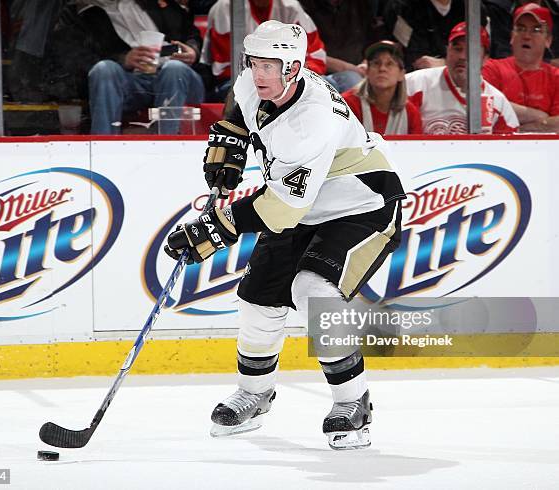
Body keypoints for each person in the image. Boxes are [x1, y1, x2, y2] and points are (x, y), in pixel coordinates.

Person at [164, 20, 405, 449]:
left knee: (313, 289)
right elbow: (239, 108)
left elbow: (282, 207)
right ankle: (255, 394)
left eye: (270, 66)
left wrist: (213, 229)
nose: (259, 74)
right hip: (305, 204)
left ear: (293, 68)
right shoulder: (256, 82)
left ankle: (354, 402)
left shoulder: (312, 120)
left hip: (361, 205)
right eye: (254, 63)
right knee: (258, 297)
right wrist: (230, 142)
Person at [82, 0, 206, 134]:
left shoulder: (161, 5)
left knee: (174, 68)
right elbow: (83, 60)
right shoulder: (89, 14)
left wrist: (193, 50)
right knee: (103, 69)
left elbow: (191, 35)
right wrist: (123, 59)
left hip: (180, 78)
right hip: (133, 81)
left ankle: (168, 144)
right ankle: (102, 145)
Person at [201, 0, 327, 101]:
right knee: (248, 88)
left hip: (292, 77)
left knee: (328, 83)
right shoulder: (224, 8)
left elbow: (316, 57)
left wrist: (289, 76)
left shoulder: (291, 7)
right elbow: (224, 68)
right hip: (233, 81)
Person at [406, 22, 519, 134]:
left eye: (471, 51)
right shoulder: (415, 85)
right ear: (447, 51)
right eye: (457, 49)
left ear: (485, 59)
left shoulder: (498, 103)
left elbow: (510, 148)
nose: (462, 57)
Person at [482, 2, 559, 132]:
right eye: (521, 28)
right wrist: (538, 115)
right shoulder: (492, 69)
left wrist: (519, 129)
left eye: (536, 30)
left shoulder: (556, 77)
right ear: (512, 36)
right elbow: (484, 105)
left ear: (548, 40)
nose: (526, 36)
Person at [300, 0, 384, 92]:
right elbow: (307, 54)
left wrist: (366, 64)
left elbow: (372, 39)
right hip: (319, 72)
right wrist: (349, 68)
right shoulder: (302, 8)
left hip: (359, 68)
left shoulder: (361, 5)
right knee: (353, 81)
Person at [342, 40, 422, 135]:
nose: (382, 69)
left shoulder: (410, 113)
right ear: (367, 72)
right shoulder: (348, 104)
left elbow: (417, 148)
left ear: (401, 74)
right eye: (376, 63)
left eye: (389, 64)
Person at [383, 0, 487, 71]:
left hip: (465, 79)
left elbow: (484, 57)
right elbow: (419, 61)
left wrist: (445, 62)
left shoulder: (473, 8)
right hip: (419, 79)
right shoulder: (402, 7)